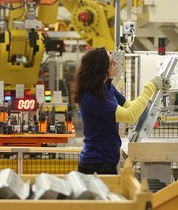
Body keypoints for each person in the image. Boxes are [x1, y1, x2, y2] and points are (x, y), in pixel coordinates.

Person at [72, 46, 170, 174]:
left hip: (108, 160)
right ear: (101, 68)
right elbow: (130, 116)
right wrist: (149, 87)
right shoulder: (91, 97)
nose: (116, 63)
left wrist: (156, 92)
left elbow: (130, 106)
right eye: (112, 62)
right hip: (96, 165)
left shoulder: (107, 87)